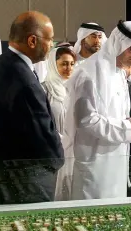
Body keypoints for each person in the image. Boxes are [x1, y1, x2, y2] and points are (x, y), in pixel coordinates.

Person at [64, 20, 131, 200]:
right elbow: (85, 121)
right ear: (119, 43)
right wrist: (127, 128)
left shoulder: (118, 72)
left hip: (116, 164)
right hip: (94, 165)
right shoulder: (89, 72)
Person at [0, 11, 64, 205]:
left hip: (0, 175)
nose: (51, 46)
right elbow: (42, 137)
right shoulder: (25, 81)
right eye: (50, 39)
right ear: (32, 41)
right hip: (26, 181)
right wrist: (58, 159)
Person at [42, 46, 76, 201]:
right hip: (54, 149)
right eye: (64, 64)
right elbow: (43, 121)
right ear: (53, 64)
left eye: (71, 64)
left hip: (74, 150)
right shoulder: (45, 89)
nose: (68, 68)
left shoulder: (75, 88)